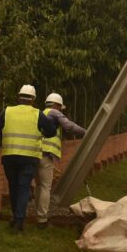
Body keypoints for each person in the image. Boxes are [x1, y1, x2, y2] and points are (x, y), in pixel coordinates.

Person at [0, 84, 59, 233]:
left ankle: (16, 218)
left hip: (9, 157)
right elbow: (52, 131)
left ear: (18, 97)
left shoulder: (7, 112)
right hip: (29, 158)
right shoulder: (37, 114)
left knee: (13, 187)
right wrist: (44, 133)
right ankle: (19, 220)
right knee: (23, 188)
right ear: (33, 99)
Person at [33, 92, 86, 229]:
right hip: (46, 155)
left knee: (38, 186)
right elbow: (69, 126)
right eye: (60, 108)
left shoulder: (40, 112)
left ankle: (38, 215)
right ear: (56, 105)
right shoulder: (54, 113)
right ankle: (42, 219)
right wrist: (86, 132)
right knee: (45, 187)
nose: (61, 110)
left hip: (34, 154)